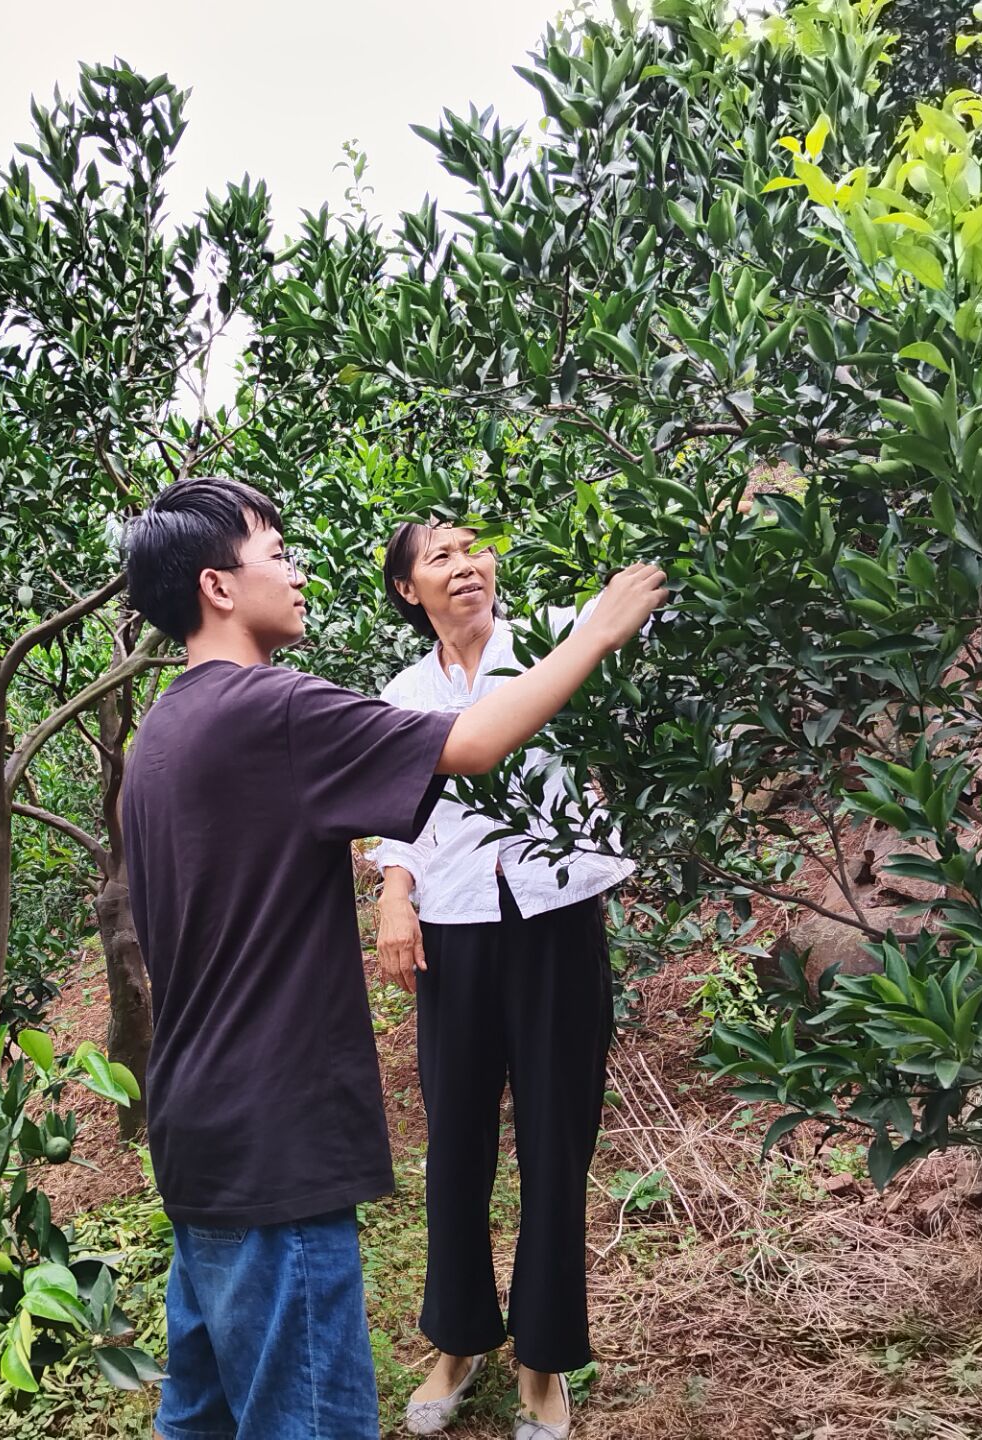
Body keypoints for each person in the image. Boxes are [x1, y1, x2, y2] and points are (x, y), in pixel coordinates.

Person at [119, 478, 667, 1440]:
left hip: (198, 1132)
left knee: (200, 1422)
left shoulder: (160, 732)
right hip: (279, 1140)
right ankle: (464, 1341)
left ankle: (539, 1359)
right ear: (218, 586)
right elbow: (476, 743)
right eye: (277, 554)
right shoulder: (275, 709)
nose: (297, 573)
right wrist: (598, 630)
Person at [373, 522, 644, 1440]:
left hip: (556, 918)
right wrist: (395, 895)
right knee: (455, 1142)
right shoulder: (405, 694)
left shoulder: (556, 640)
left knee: (556, 1142)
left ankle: (544, 1359)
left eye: (474, 549)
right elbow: (401, 813)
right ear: (409, 589)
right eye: (441, 557)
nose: (466, 567)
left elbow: (635, 623)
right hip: (453, 932)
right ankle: (457, 1342)